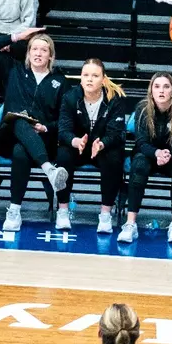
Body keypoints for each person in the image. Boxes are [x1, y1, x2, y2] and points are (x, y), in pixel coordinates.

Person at [0, 32, 69, 232]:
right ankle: (49, 170)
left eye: (43, 50)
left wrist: (46, 128)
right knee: (20, 120)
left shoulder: (60, 81)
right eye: (34, 49)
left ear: (50, 56)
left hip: (43, 140)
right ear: (28, 53)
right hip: (9, 136)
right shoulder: (15, 71)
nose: (38, 53)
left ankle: (14, 211)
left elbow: (64, 120)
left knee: (21, 152)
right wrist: (16, 36)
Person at [117, 72, 172, 245]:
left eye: (166, 86)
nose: (161, 90)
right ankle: (130, 223)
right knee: (138, 165)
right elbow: (141, 142)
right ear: (151, 90)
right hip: (148, 154)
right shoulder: (143, 108)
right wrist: (157, 153)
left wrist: (167, 155)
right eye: (157, 86)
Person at [52, 58, 124, 234]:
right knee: (63, 156)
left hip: (101, 147)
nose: (89, 79)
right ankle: (63, 210)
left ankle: (105, 214)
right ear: (81, 78)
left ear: (103, 80)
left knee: (114, 157)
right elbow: (63, 130)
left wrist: (102, 143)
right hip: (79, 146)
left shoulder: (114, 99)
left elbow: (116, 132)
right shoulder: (70, 97)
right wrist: (76, 141)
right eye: (85, 75)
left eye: (95, 76)